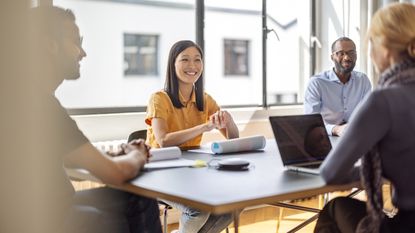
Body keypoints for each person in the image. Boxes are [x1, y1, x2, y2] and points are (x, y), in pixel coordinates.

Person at [1, 6, 162, 233]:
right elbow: (116, 174)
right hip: (49, 219)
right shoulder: (40, 105)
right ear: (50, 45)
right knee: (139, 198)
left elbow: (69, 158)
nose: (82, 53)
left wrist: (112, 155)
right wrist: (137, 154)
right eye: (77, 42)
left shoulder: (16, 96)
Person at [314, 3, 415, 233]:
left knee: (335, 208)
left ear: (386, 50)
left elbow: (330, 173)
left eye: (370, 45)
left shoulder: (383, 100)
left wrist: (374, 171)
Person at [145, 40, 239, 233]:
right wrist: (204, 127)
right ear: (173, 64)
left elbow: (234, 140)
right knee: (198, 209)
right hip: (158, 172)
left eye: (197, 60)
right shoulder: (158, 99)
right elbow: (163, 141)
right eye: (185, 59)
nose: (192, 65)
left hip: (191, 171)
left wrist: (228, 120)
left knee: (234, 204)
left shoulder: (204, 99)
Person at [304, 37, 372, 136]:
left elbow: (368, 115)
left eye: (351, 53)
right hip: (325, 138)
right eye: (341, 53)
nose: (347, 58)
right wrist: (335, 129)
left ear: (356, 56)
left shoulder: (363, 81)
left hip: (357, 137)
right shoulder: (316, 83)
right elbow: (310, 122)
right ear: (332, 57)